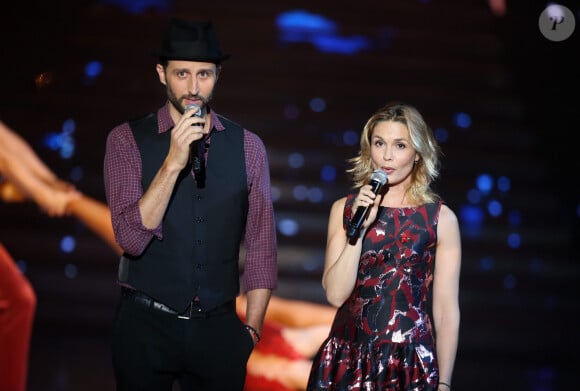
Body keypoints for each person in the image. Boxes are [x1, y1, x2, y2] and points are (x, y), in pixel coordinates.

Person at [103, 18, 277, 391]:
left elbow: (262, 246)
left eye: (204, 74)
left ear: (218, 76)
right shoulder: (126, 140)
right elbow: (130, 239)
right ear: (161, 74)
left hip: (218, 328)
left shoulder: (248, 147)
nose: (194, 87)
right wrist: (173, 162)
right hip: (145, 325)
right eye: (182, 73)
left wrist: (251, 332)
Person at [306, 102, 461, 390]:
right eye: (379, 143)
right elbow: (336, 295)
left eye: (400, 145)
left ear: (417, 153)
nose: (387, 156)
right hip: (347, 359)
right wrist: (359, 230)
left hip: (409, 363)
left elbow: (445, 310)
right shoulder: (345, 209)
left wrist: (445, 383)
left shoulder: (440, 219)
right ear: (369, 149)